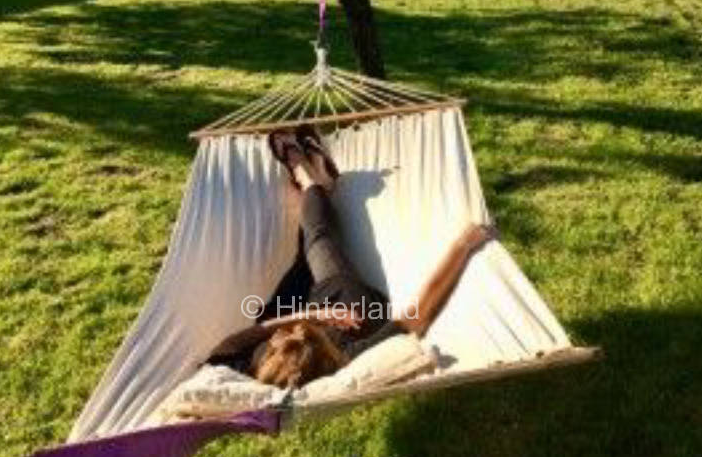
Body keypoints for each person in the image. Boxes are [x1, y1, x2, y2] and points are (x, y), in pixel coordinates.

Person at [208, 125, 495, 388]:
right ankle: (307, 176)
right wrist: (463, 246)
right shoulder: (347, 357)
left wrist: (308, 315)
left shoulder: (245, 370)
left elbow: (229, 346)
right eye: (303, 332)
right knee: (318, 239)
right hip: (344, 299)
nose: (288, 331)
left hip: (297, 305)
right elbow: (417, 319)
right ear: (326, 351)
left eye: (278, 340)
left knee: (300, 259)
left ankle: (321, 182)